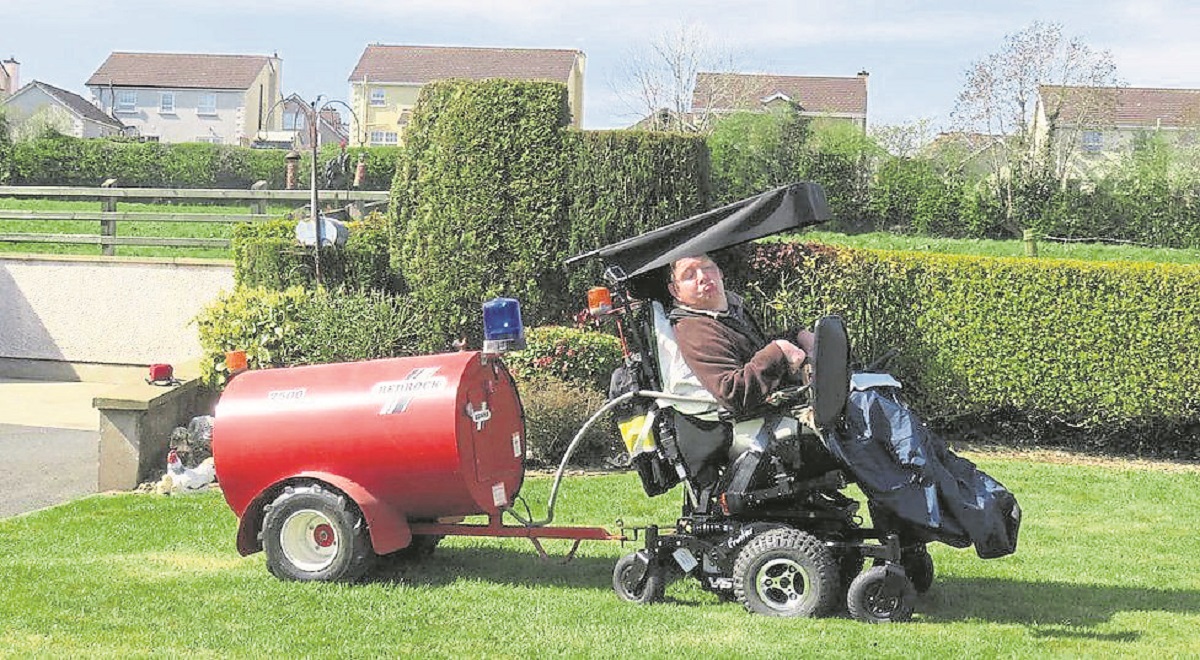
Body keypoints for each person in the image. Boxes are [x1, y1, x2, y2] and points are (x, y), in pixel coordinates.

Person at [666, 253, 814, 415]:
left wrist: (798, 336)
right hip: (753, 424)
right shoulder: (693, 329)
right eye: (689, 275)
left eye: (707, 267)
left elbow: (757, 350)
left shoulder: (731, 308)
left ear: (720, 272)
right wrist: (778, 352)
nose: (703, 277)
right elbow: (733, 394)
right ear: (675, 291)